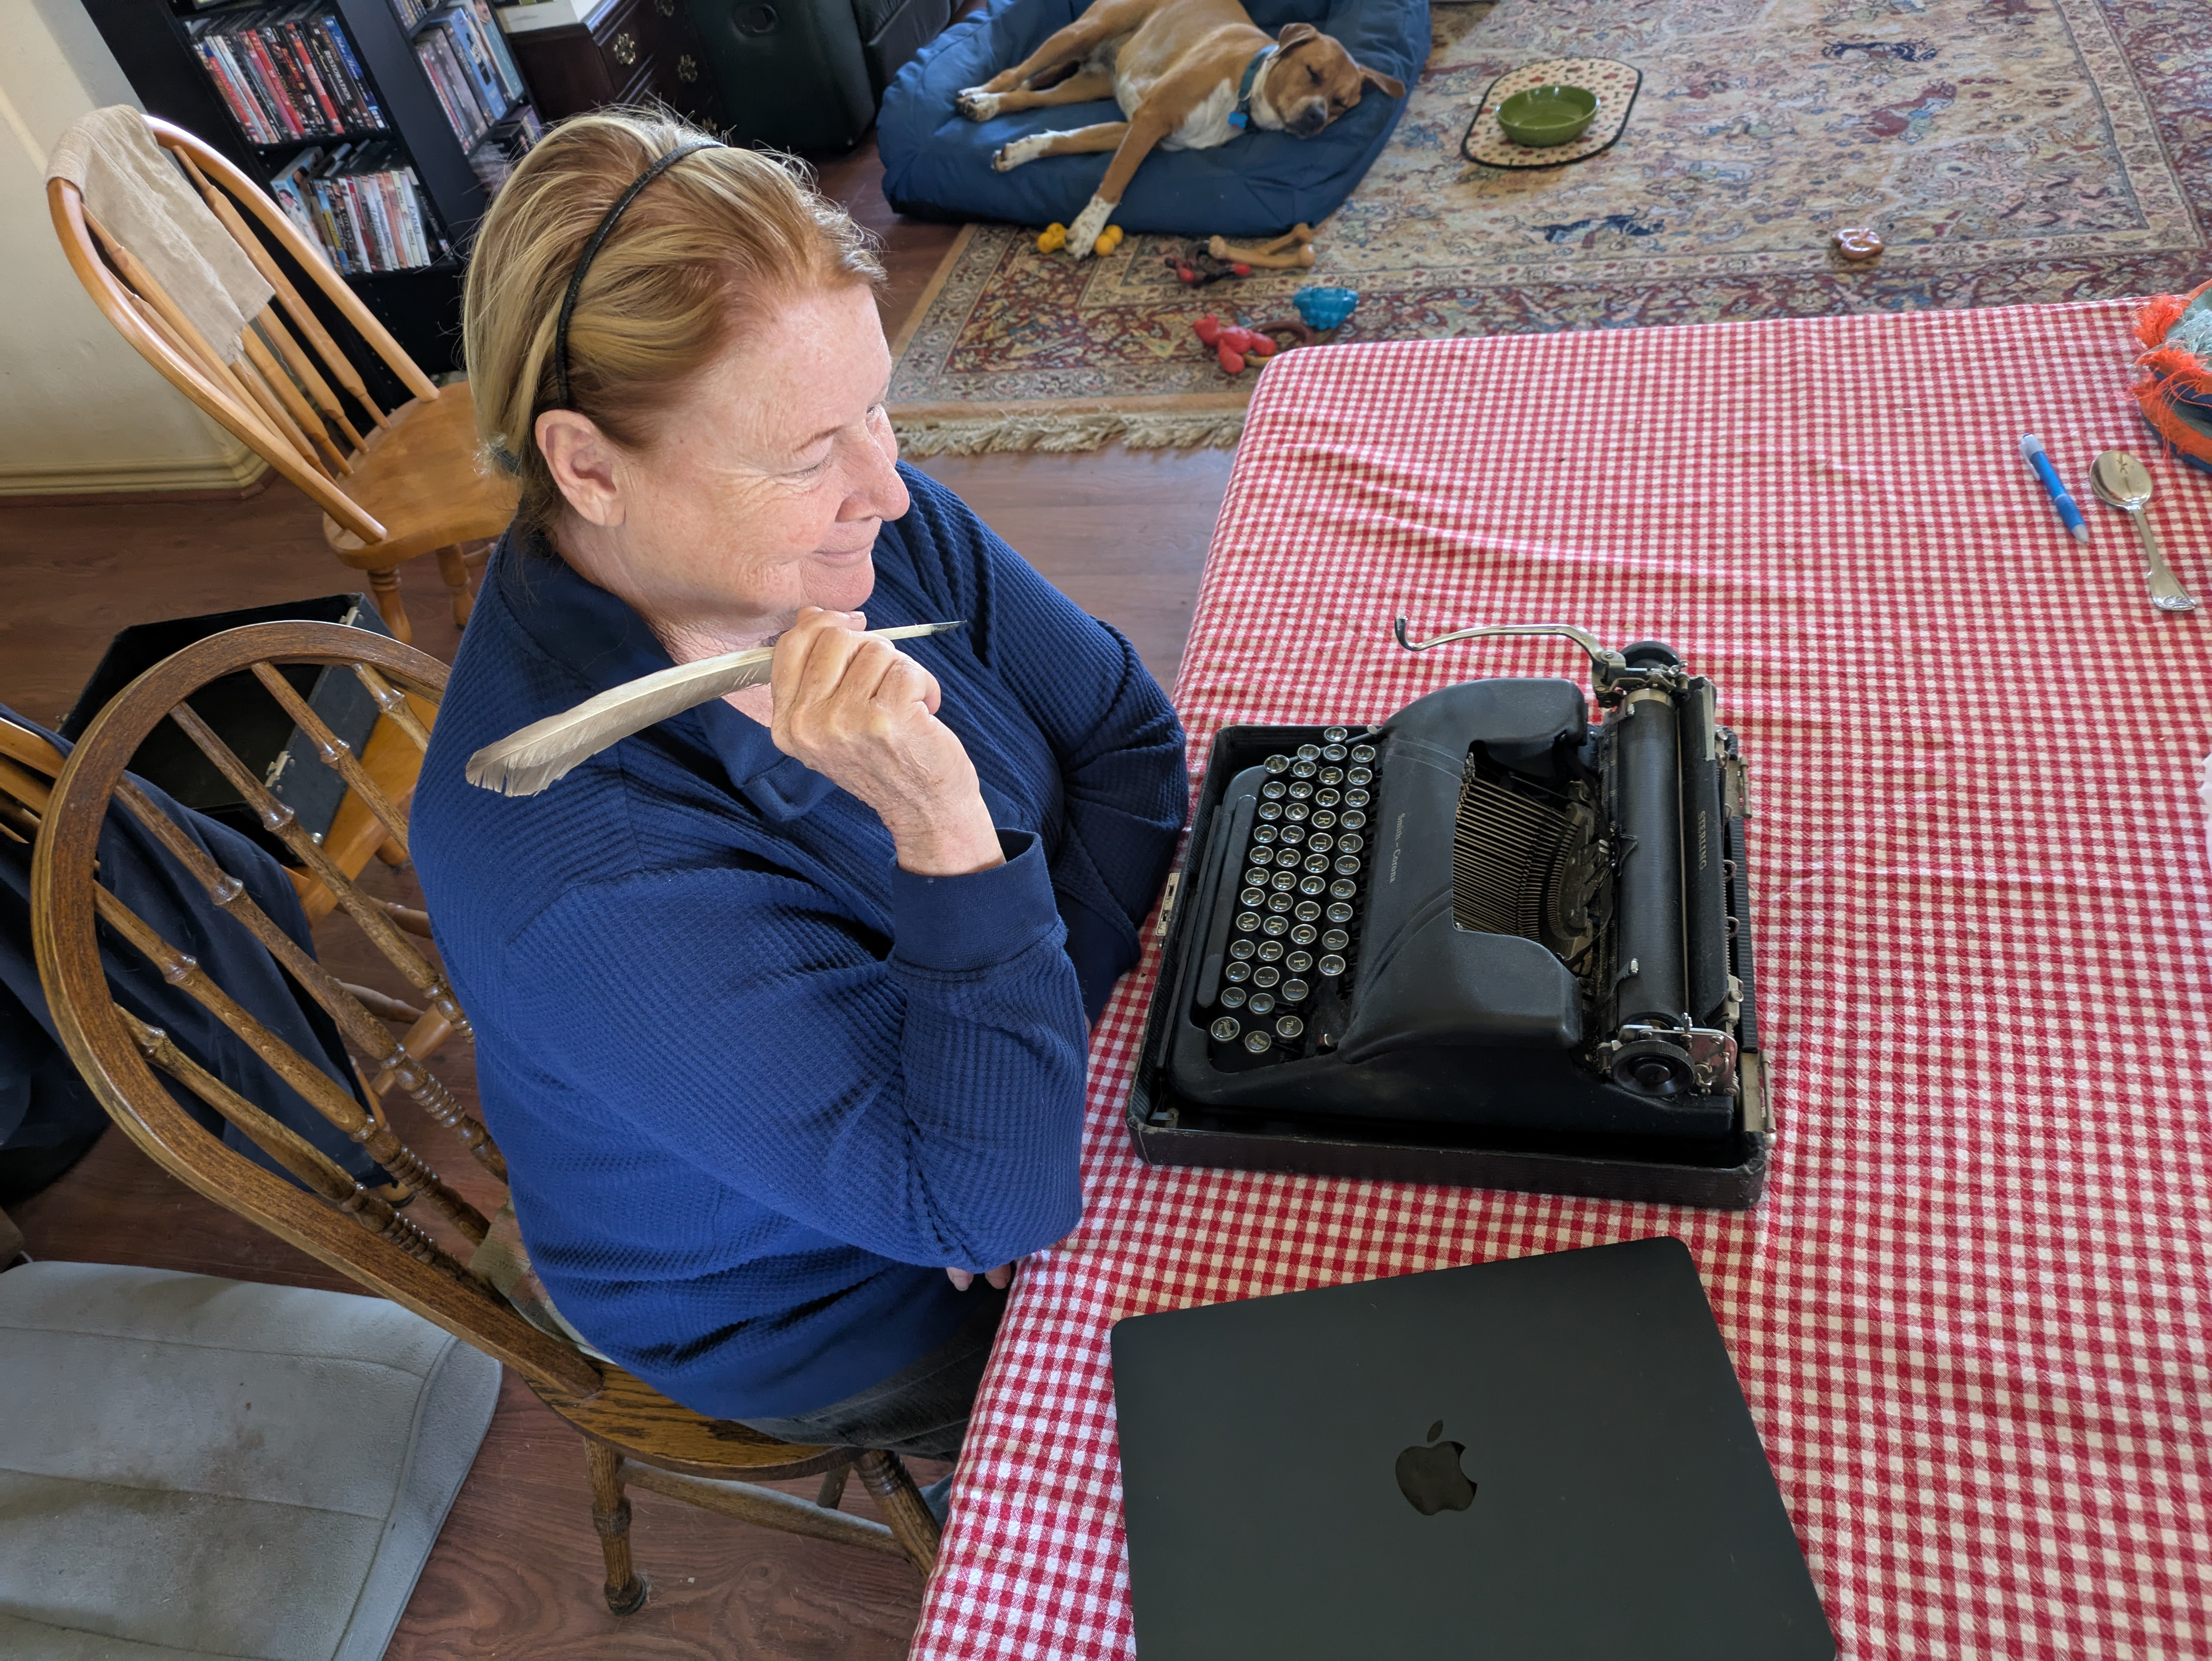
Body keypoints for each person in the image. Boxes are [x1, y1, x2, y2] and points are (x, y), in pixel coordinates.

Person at [411, 113, 1186, 1484]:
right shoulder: (573, 867)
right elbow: (993, 1195)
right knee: (1287, 1366)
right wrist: (950, 836)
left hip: (977, 1149)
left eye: (876, 407)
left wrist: (1029, 1064)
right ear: (587, 466)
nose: (887, 489)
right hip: (822, 1303)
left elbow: (1128, 742)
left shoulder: (835, 533)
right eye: (808, 450)